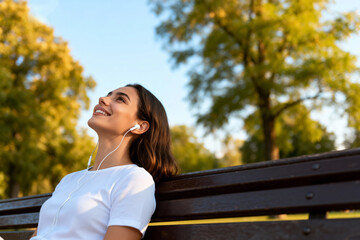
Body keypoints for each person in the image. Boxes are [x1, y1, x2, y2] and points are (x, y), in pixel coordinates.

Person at [30, 84, 178, 240]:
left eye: (120, 99)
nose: (103, 99)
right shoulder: (69, 180)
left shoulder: (134, 179)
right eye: (108, 95)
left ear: (140, 126)